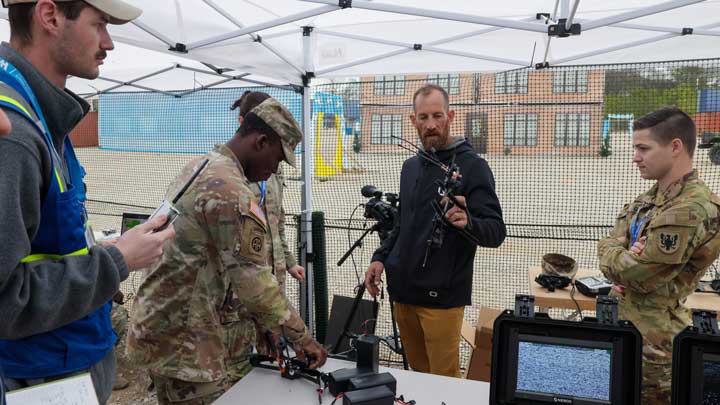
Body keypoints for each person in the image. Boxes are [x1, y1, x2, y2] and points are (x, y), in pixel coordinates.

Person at [0, 1, 175, 403]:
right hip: (39, 376)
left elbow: (44, 247)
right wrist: (118, 261)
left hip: (64, 359)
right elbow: (5, 298)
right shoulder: (14, 133)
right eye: (99, 25)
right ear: (50, 16)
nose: (109, 43)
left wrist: (105, 251)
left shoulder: (44, 117)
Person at [126, 98, 328, 404]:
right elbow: (255, 285)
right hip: (185, 343)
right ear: (261, 142)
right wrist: (302, 338)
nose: (274, 169)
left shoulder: (203, 165)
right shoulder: (229, 189)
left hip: (168, 328)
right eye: (277, 159)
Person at [363, 83, 506, 377]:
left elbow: (496, 231)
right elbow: (401, 225)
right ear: (413, 120)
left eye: (437, 116)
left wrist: (470, 222)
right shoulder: (410, 167)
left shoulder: (473, 166)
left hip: (442, 300)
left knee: (443, 384)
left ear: (450, 116)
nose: (431, 125)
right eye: (424, 117)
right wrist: (379, 257)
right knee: (417, 375)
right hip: (403, 293)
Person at [598, 106, 720, 404]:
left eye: (643, 148)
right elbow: (612, 246)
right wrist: (618, 254)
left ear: (675, 146)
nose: (635, 157)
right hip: (625, 329)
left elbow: (637, 274)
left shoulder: (690, 209)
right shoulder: (650, 199)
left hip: (655, 351)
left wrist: (616, 256)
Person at [232, 90, 305, 291]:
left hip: (274, 273)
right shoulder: (229, 176)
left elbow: (277, 219)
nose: (274, 167)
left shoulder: (272, 164)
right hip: (248, 280)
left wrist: (289, 262)